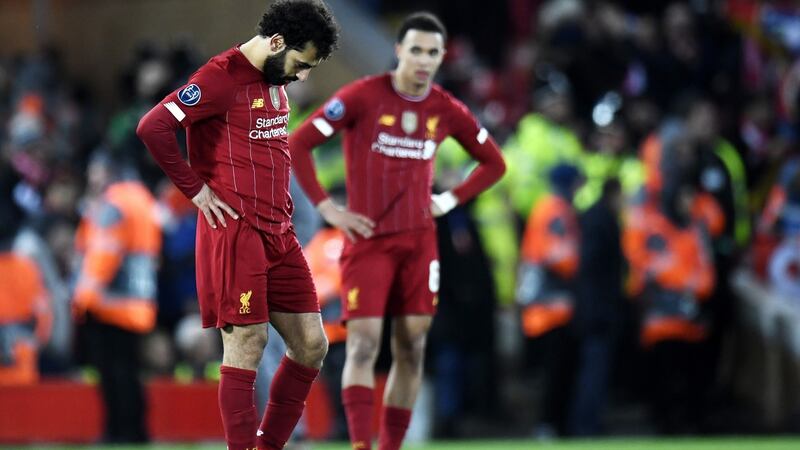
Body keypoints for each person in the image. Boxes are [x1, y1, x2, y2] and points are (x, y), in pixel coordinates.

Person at [289, 12, 506, 450]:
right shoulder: (363, 96)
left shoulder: (444, 108)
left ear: (441, 57)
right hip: (367, 243)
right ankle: (359, 445)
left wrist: (447, 201)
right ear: (399, 51)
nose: (423, 60)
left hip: (419, 244)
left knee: (412, 348)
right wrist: (329, 208)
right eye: (416, 50)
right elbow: (299, 143)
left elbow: (494, 164)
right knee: (364, 346)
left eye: (432, 53)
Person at [136, 2, 339, 449]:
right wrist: (195, 190)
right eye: (301, 65)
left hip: (279, 233)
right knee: (247, 341)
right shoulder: (219, 78)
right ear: (277, 42)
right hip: (236, 231)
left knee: (311, 344)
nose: (301, 77)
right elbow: (153, 127)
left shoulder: (274, 81)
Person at [72, 152, 161, 443]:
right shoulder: (143, 199)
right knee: (131, 372)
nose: (90, 178)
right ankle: (137, 432)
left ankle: (117, 433)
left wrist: (83, 298)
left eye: (94, 172)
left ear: (107, 172)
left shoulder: (112, 204)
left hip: (108, 303)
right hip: (139, 302)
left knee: (113, 375)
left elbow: (103, 252)